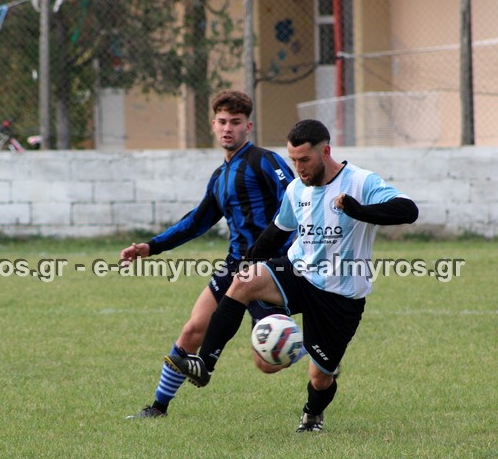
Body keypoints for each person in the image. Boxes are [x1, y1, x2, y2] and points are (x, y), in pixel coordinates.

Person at [165, 118, 419, 432]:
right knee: (244, 281)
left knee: (320, 376)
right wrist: (246, 263)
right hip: (298, 271)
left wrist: (358, 210)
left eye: (305, 160)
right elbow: (276, 233)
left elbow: (408, 210)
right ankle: (205, 364)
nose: (299, 168)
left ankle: (312, 414)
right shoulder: (296, 189)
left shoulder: (360, 181)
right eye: (293, 160)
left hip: (340, 294)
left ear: (326, 151)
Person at [122, 90, 296, 418]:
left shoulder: (264, 161)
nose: (228, 128)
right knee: (192, 330)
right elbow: (197, 221)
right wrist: (152, 246)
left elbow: (296, 201)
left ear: (248, 126)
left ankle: (311, 351)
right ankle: (158, 407)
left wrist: (288, 256)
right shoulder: (220, 176)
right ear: (213, 125)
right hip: (234, 265)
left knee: (267, 361)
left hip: (268, 268)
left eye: (236, 122)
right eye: (222, 121)